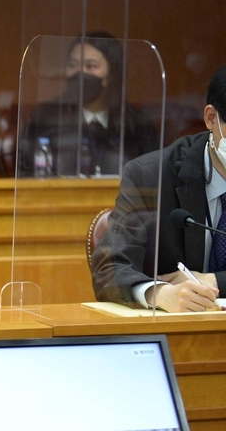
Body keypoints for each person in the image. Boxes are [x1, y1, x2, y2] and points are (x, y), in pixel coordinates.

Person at [90, 64, 226, 311]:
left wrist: (217, 280)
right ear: (211, 119)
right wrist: (159, 293)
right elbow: (109, 268)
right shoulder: (150, 177)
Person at [19, 32, 157, 177]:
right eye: (73, 65)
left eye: (91, 66)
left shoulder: (136, 124)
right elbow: (26, 173)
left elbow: (150, 179)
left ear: (112, 75)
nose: (80, 73)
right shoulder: (45, 118)